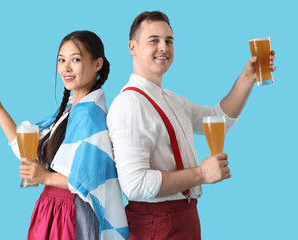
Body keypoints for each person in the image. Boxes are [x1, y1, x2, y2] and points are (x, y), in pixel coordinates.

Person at [106, 11, 276, 240]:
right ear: (132, 48)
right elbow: (136, 185)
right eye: (153, 40)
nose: (164, 47)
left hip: (184, 218)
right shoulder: (130, 104)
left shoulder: (171, 100)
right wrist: (200, 174)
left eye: (169, 41)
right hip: (157, 225)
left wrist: (248, 77)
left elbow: (219, 119)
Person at [0, 31, 129, 240]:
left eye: (75, 59)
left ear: (97, 64)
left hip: (69, 215)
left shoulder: (91, 116)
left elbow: (90, 179)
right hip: (53, 209)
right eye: (61, 60)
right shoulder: (68, 112)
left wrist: (45, 176)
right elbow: (28, 149)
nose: (66, 68)